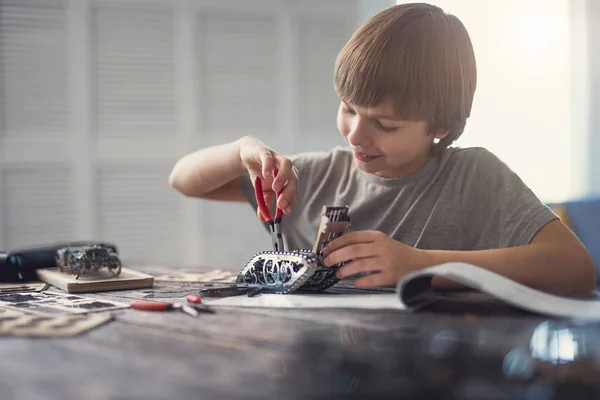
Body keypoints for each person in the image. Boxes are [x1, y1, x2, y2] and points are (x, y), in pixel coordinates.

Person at [169, 3, 595, 294]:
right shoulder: (312, 178)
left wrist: (422, 264)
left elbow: (576, 269)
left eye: (385, 124)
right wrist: (242, 149)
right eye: (348, 109)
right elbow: (185, 180)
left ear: (441, 126)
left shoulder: (473, 179)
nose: (355, 135)